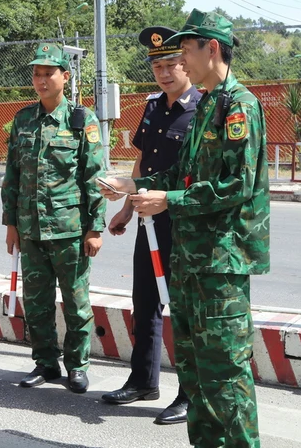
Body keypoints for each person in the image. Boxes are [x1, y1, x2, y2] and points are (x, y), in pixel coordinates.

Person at [99, 9, 270, 448]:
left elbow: (236, 186)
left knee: (226, 373)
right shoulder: (210, 103)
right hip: (192, 259)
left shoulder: (239, 106)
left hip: (220, 260)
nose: (181, 62)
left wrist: (167, 201)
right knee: (195, 369)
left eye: (187, 51)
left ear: (211, 48)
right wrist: (132, 184)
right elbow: (182, 175)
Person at [101, 26, 199, 426]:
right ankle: (143, 381)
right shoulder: (154, 106)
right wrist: (126, 210)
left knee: (185, 309)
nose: (163, 72)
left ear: (187, 64)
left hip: (185, 222)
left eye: (171, 63)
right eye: (157, 65)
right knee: (146, 302)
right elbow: (142, 163)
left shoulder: (202, 108)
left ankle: (189, 393)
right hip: (148, 220)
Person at [1, 43, 106, 394]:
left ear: (65, 76)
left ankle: (77, 366)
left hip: (70, 231)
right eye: (37, 73)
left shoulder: (82, 120)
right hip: (31, 231)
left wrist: (95, 228)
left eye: (49, 73)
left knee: (76, 303)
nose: (42, 79)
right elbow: (12, 175)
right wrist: (11, 225)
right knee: (37, 304)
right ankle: (45, 363)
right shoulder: (23, 119)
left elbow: (94, 177)